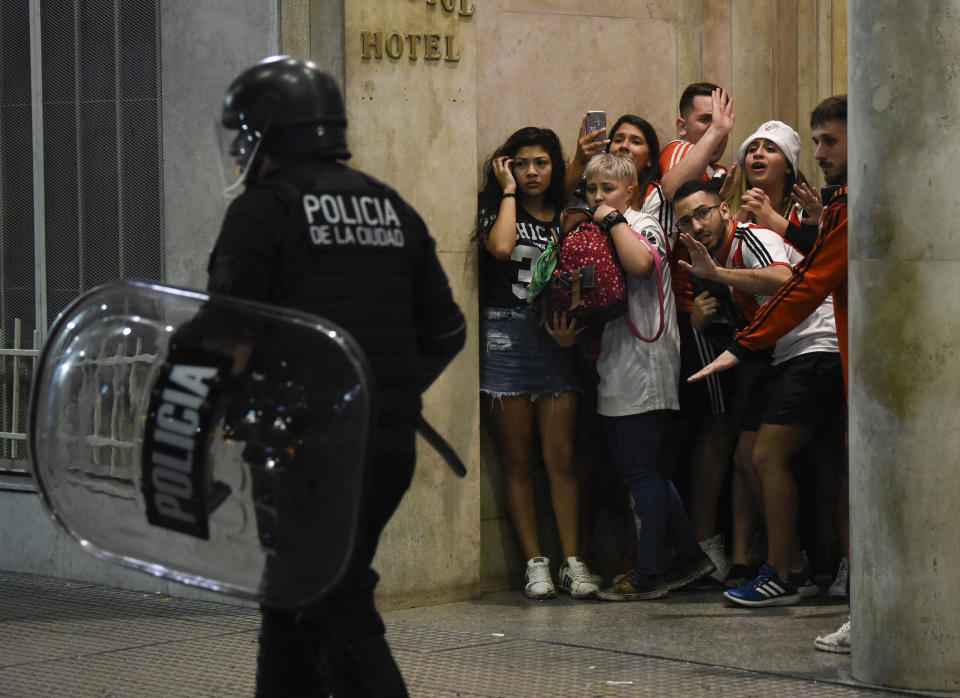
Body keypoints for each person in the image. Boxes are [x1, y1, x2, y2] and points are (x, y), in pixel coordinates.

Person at [207, 56, 466, 696]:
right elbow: (447, 332)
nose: (240, 147)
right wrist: (374, 397)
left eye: (246, 132)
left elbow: (223, 343)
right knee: (292, 595)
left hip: (302, 449)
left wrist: (190, 432)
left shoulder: (263, 211)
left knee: (335, 603)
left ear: (271, 132)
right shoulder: (389, 207)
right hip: (385, 449)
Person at [685, 95, 850, 649]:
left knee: (772, 455)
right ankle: (791, 565)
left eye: (704, 213)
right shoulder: (732, 243)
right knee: (751, 454)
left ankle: (783, 572)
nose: (696, 226)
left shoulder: (752, 235)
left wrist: (722, 278)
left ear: (724, 209)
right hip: (789, 353)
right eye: (686, 221)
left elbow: (788, 279)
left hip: (815, 347)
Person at [556, 153, 714, 601]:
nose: (599, 198)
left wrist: (608, 219)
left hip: (643, 364)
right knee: (645, 472)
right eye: (592, 190)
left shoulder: (640, 225)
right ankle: (687, 557)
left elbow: (640, 265)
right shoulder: (605, 228)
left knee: (641, 473)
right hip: (619, 364)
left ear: (631, 191)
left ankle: (648, 574)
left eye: (609, 189)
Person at [476, 127, 599, 600]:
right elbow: (502, 249)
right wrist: (507, 192)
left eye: (541, 163)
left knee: (561, 458)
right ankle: (535, 563)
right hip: (505, 337)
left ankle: (573, 561)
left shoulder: (568, 214)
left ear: (555, 167)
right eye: (521, 163)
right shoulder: (498, 209)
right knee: (518, 460)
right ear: (508, 166)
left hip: (554, 340)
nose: (531, 172)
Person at [659, 83, 739, 584]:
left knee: (719, 432)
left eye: (721, 119)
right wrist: (720, 136)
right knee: (709, 432)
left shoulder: (718, 178)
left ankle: (706, 539)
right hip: (693, 321)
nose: (715, 128)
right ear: (683, 126)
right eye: (705, 119)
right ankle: (703, 540)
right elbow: (671, 191)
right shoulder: (681, 157)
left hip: (719, 316)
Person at [730, 119, 822, 254]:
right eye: (752, 149)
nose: (758, 154)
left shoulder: (806, 213)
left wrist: (771, 218)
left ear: (788, 167)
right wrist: (735, 225)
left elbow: (820, 257)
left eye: (770, 149)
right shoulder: (728, 209)